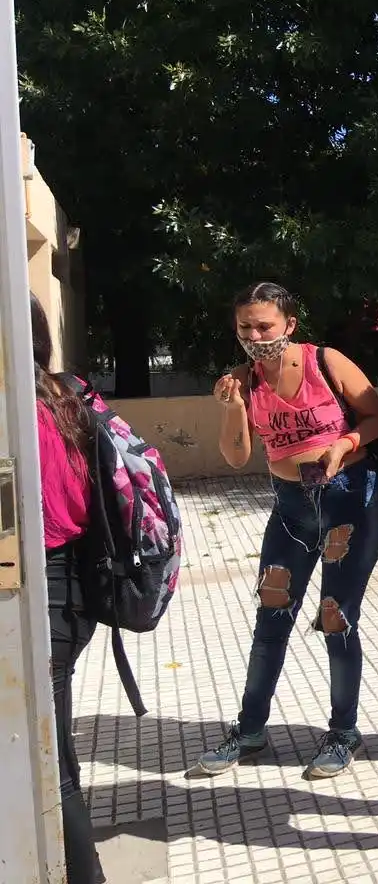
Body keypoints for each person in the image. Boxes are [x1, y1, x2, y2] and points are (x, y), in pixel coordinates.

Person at [195, 282, 378, 779]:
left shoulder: (325, 361)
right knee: (271, 616)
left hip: (348, 499)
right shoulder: (242, 381)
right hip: (291, 508)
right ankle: (250, 729)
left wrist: (344, 444)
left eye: (265, 326)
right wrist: (233, 408)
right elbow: (236, 456)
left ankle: (343, 732)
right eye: (246, 327)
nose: (255, 336)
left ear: (290, 324)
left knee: (336, 617)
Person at [31, 295, 106, 884]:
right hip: (75, 588)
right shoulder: (64, 396)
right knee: (55, 752)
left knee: (50, 765)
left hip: (45, 594)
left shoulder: (20, 410)